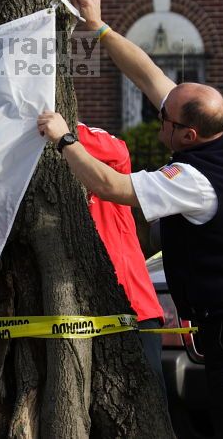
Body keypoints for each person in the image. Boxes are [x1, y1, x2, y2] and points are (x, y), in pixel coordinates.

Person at [38, 0, 223, 438]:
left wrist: (64, 139)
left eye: (167, 122)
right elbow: (150, 75)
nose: (159, 121)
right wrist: (100, 27)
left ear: (190, 133)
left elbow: (111, 186)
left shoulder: (196, 180)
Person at [77, 123, 166, 391]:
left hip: (132, 310)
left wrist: (59, 132)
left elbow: (118, 152)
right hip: (77, 314)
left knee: (146, 415)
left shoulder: (101, 152)